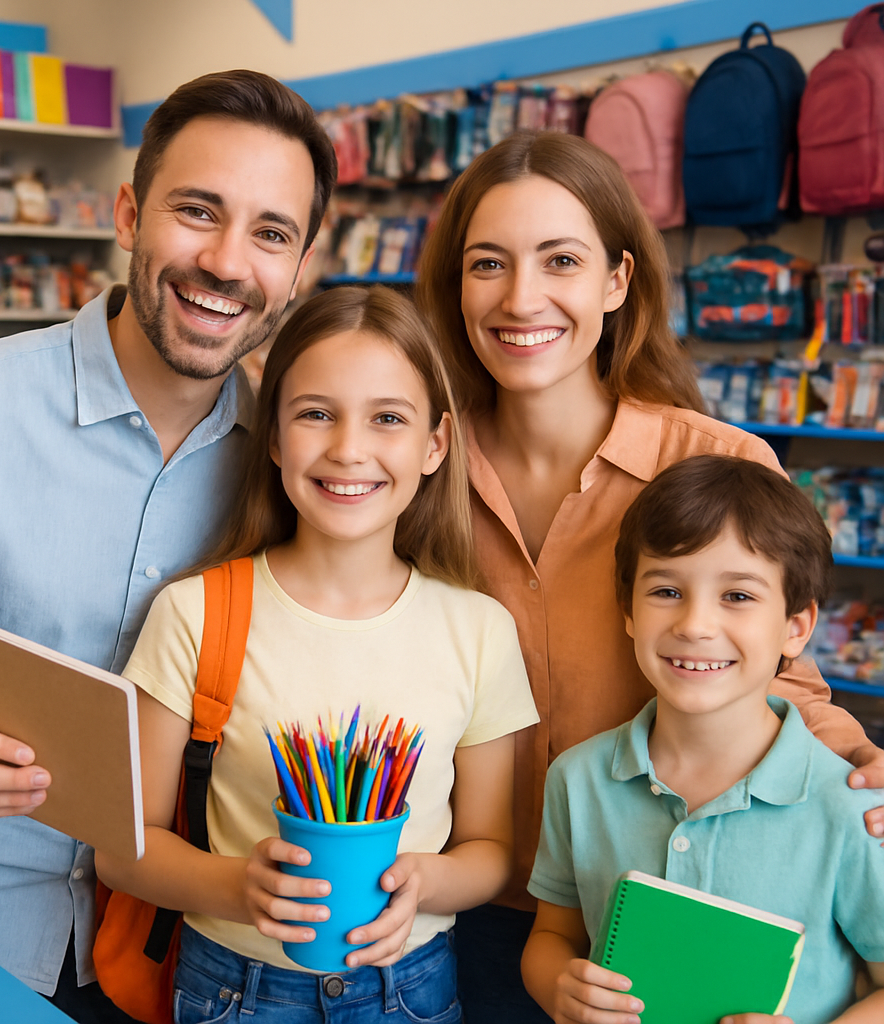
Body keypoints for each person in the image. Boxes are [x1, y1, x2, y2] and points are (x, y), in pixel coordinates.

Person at [0, 69, 337, 1023]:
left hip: (189, 954)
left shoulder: (293, 459)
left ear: (300, 267)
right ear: (128, 214)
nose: (228, 262)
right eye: (197, 211)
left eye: (271, 234)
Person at [414, 129, 884, 1024]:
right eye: (488, 263)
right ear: (455, 284)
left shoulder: (713, 462)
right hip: (450, 909)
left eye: (561, 260)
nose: (522, 297)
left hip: (660, 918)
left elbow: (778, 668)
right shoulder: (416, 468)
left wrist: (858, 770)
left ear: (617, 281)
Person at [95, 285, 539, 1023]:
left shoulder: (481, 630)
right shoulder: (196, 613)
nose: (348, 449)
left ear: (436, 444)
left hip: (411, 988)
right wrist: (238, 887)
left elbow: (492, 850)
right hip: (232, 988)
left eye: (388, 419)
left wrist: (422, 885)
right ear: (272, 437)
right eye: (315, 414)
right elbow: (123, 848)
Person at [522, 455, 884, 1024]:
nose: (694, 625)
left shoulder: (850, 806)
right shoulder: (577, 778)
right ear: (628, 612)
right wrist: (556, 986)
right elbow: (552, 934)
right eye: (666, 591)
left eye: (738, 596)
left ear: (797, 626)